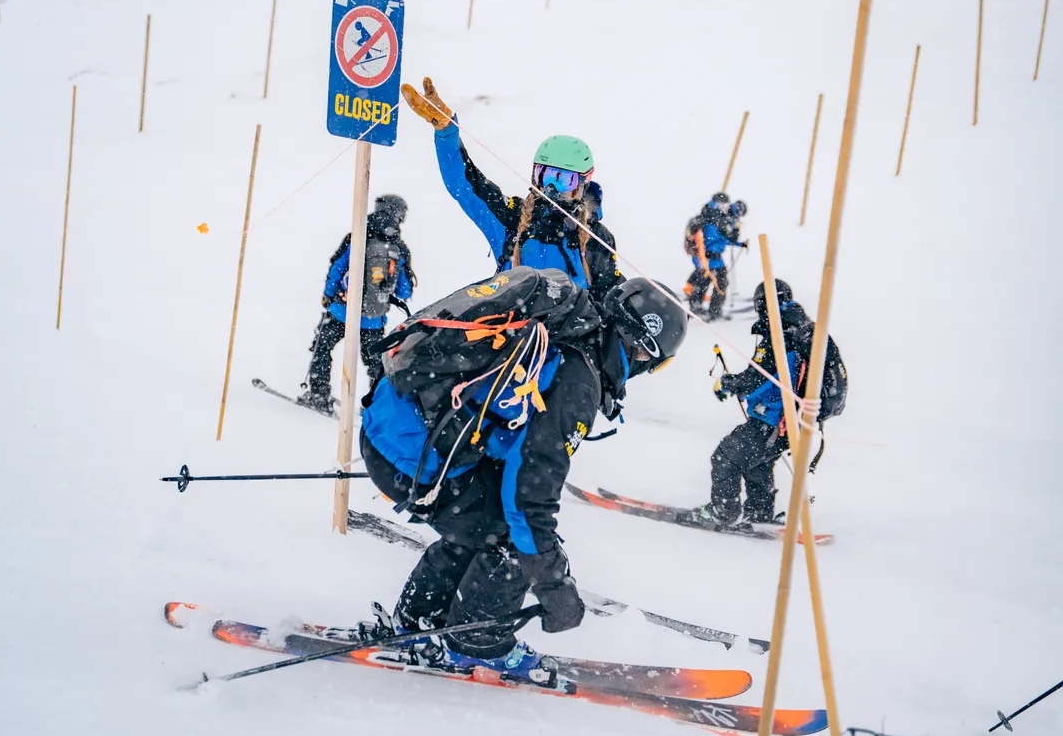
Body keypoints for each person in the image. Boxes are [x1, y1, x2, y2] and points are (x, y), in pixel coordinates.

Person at [360, 270, 688, 678]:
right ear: (644, 350)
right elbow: (530, 499)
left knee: (486, 517)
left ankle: (419, 621)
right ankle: (476, 643)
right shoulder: (578, 385)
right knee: (510, 534)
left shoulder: (569, 330)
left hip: (393, 424)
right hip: (410, 454)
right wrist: (554, 586)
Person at [401, 75, 621, 297]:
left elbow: (608, 304)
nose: (551, 187)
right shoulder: (512, 218)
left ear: (582, 183)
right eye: (544, 175)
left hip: (570, 330)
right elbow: (464, 184)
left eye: (563, 179)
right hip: (512, 330)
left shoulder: (595, 238)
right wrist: (446, 131)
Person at [697, 279, 820, 530]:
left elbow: (757, 377)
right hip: (788, 424)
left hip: (773, 422)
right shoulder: (797, 331)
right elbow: (771, 377)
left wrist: (728, 383)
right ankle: (759, 514)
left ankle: (723, 511)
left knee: (725, 457)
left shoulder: (780, 334)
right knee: (757, 464)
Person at [299, 194, 416, 412]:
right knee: (375, 365)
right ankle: (375, 407)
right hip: (373, 319)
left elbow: (337, 269)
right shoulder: (398, 249)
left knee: (322, 348)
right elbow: (404, 290)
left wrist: (329, 295)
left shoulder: (359, 236)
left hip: (341, 311)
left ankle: (318, 395)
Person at [683, 192, 747, 320]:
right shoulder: (718, 217)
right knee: (717, 283)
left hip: (704, 257)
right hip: (710, 258)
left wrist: (739, 244)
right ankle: (712, 311)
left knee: (706, 281)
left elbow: (720, 238)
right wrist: (736, 228)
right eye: (725, 204)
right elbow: (728, 236)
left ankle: (698, 307)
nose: (727, 207)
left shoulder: (709, 213)